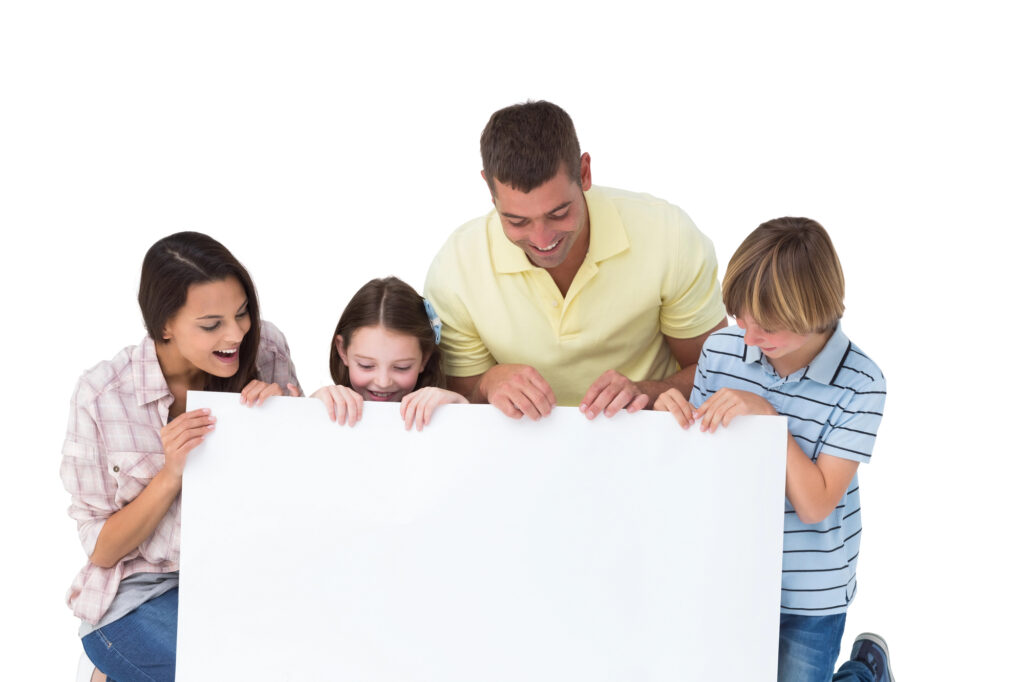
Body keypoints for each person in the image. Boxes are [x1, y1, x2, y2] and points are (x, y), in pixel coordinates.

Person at [654, 218, 893, 682]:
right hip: (730, 573)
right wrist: (671, 421)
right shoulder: (723, 349)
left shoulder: (862, 383)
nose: (748, 337)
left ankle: (865, 673)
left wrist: (768, 420)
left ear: (813, 313)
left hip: (809, 591)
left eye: (767, 327)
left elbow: (815, 503)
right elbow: (705, 463)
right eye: (742, 318)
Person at [61, 232, 301, 682]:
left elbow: (297, 492)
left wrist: (284, 422)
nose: (236, 334)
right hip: (142, 593)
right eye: (212, 325)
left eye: (242, 312)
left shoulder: (266, 350)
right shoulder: (101, 395)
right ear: (164, 325)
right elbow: (104, 549)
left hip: (244, 576)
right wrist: (170, 474)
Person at [423, 100, 727, 421]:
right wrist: (486, 384)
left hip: (648, 439)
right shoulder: (456, 269)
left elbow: (717, 371)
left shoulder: (669, 236)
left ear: (584, 173)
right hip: (515, 452)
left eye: (559, 213)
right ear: (488, 187)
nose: (542, 240)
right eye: (517, 221)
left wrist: (648, 392)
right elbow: (454, 407)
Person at [312, 276, 467, 431]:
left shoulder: (446, 409)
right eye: (366, 365)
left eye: (402, 367)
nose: (383, 382)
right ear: (343, 351)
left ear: (424, 358)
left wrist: (462, 406)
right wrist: (309, 407)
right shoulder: (324, 408)